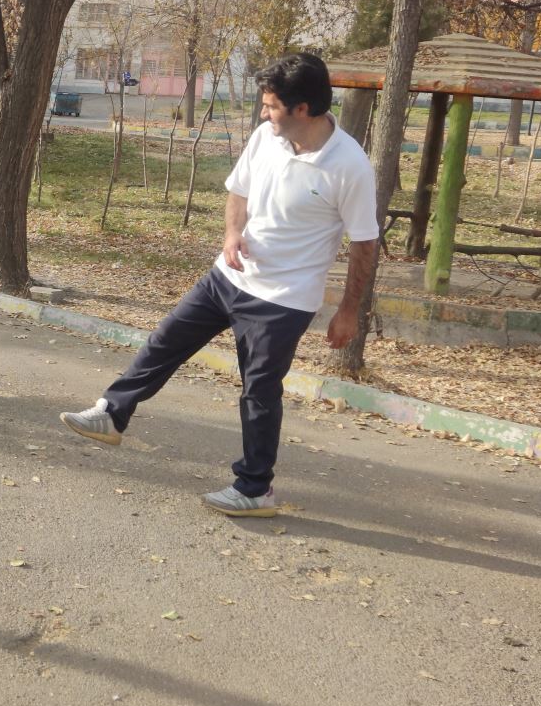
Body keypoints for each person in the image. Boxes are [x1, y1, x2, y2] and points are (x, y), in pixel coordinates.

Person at [59, 53, 379, 517]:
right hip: (228, 276)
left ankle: (255, 489)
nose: (264, 114)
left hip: (284, 299)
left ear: (303, 109)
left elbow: (365, 241)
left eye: (271, 106)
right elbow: (239, 191)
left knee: (259, 391)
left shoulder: (349, 165)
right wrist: (232, 235)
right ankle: (112, 413)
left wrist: (349, 310)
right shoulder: (267, 138)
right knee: (166, 339)